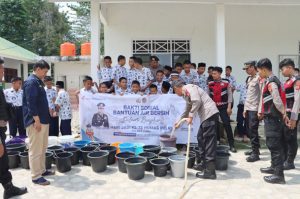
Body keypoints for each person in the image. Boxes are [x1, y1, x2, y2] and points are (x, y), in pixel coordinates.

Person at [173, 80, 219, 179]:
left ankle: (210, 172)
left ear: (177, 88)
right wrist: (179, 121)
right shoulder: (186, 94)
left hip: (209, 114)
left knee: (209, 142)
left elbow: (197, 101)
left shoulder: (189, 88)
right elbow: (187, 109)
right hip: (206, 117)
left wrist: (191, 117)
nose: (176, 94)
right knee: (200, 138)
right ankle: (203, 164)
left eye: (175, 91)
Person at [23, 60, 54, 185]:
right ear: (37, 68)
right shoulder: (31, 82)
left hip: (43, 120)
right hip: (36, 121)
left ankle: (42, 170)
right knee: (35, 149)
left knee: (42, 147)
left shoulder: (38, 82)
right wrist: (36, 120)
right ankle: (36, 176)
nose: (45, 74)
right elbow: (31, 103)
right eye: (44, 71)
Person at [0, 58, 27, 198]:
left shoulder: (1, 88)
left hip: (14, 116)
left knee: (3, 161)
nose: (3, 72)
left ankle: (8, 188)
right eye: (1, 69)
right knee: (2, 159)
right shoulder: (5, 90)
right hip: (2, 128)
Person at [257, 58, 286, 184]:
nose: (259, 74)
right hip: (271, 118)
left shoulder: (272, 82)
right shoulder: (269, 80)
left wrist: (284, 113)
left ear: (264, 69)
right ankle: (273, 167)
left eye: (259, 71)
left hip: (274, 119)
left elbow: (277, 100)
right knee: (271, 144)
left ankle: (279, 175)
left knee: (275, 145)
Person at [208, 67, 236, 153]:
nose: (213, 75)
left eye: (215, 73)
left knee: (227, 124)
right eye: (212, 73)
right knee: (215, 124)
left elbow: (230, 95)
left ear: (220, 74)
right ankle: (217, 142)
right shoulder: (210, 83)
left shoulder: (226, 82)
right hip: (214, 108)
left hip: (224, 107)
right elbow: (208, 96)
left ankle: (231, 144)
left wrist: (229, 107)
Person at [280, 58, 300, 170]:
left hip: (293, 113)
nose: (282, 72)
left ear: (289, 67)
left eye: (282, 69)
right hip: (287, 113)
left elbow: (297, 100)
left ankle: (290, 161)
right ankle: (284, 159)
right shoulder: (288, 80)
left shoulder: (297, 80)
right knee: (284, 136)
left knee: (291, 137)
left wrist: (293, 118)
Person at [243, 61, 261, 162]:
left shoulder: (259, 78)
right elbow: (248, 95)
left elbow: (262, 94)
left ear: (253, 67)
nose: (246, 71)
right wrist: (245, 109)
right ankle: (255, 150)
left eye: (247, 68)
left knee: (253, 131)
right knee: (250, 130)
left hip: (255, 108)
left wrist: (260, 110)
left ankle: (255, 154)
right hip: (249, 108)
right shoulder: (249, 78)